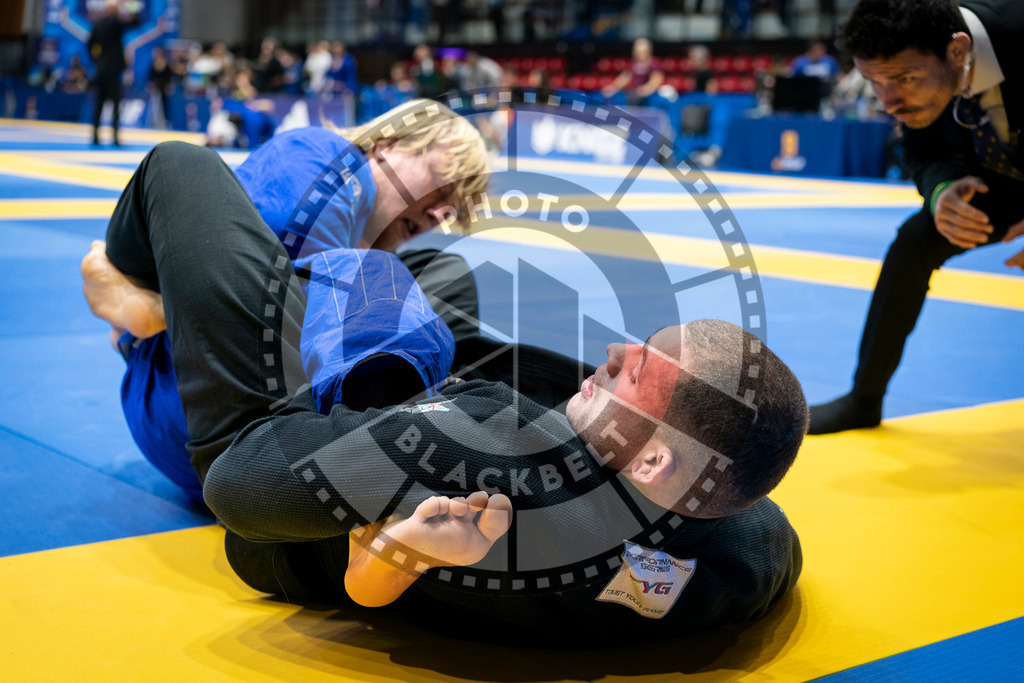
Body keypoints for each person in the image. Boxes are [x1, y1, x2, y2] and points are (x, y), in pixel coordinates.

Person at [85, 100, 490, 501]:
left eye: (452, 209)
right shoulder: (327, 158)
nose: (442, 212)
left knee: (444, 272)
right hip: (216, 424)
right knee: (177, 164)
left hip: (259, 436)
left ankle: (152, 309)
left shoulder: (378, 250)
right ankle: (150, 311)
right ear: (388, 144)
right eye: (443, 182)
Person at [809, 0, 1024, 434]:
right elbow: (923, 150)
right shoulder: (911, 82)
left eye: (905, 79)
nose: (889, 102)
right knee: (916, 239)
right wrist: (943, 191)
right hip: (1003, 181)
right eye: (875, 83)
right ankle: (864, 399)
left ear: (958, 50)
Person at [87, 0, 138, 146]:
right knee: (115, 103)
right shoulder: (116, 23)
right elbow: (135, 22)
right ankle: (115, 137)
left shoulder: (97, 24)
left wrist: (97, 61)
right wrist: (132, 5)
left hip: (101, 69)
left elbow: (89, 44)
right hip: (114, 70)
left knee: (99, 102)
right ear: (115, 10)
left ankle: (95, 136)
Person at [601, 38, 665, 107]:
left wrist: (647, 88)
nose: (638, 54)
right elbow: (625, 77)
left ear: (648, 51)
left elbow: (656, 79)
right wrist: (613, 87)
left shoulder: (653, 63)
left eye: (641, 52)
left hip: (647, 95)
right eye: (636, 51)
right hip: (633, 92)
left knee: (635, 98)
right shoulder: (632, 63)